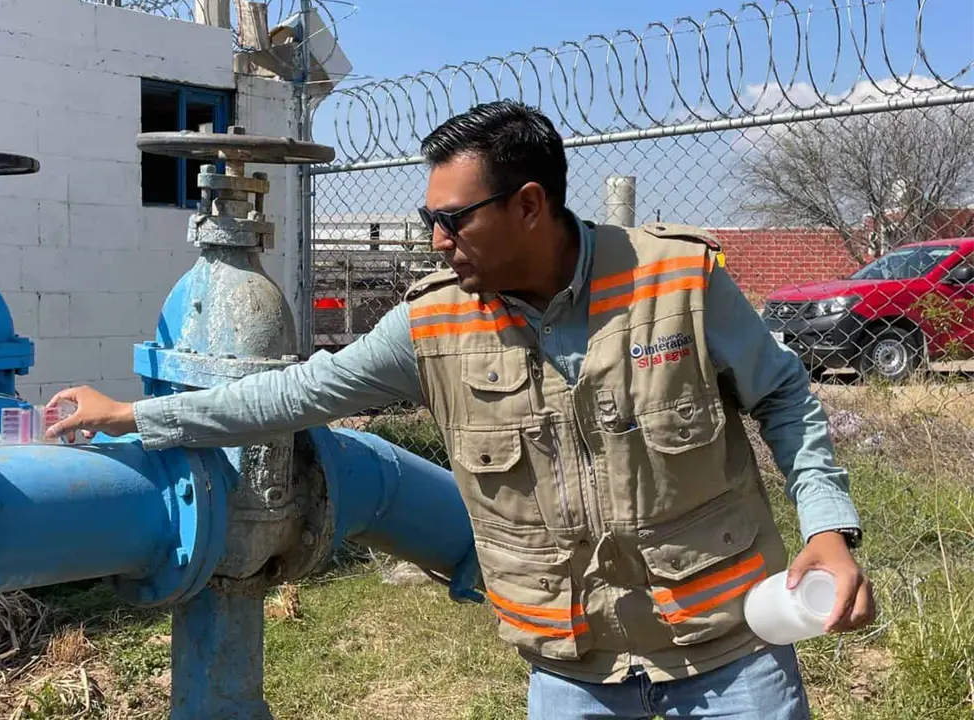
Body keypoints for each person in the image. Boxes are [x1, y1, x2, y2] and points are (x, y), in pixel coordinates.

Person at [45, 100, 874, 719]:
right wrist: (133, 417)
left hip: (729, 649)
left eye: (452, 220)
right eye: (427, 219)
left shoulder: (678, 284)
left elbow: (785, 396)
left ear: (528, 206)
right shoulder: (433, 323)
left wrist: (829, 533)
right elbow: (294, 393)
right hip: (573, 670)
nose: (436, 240)